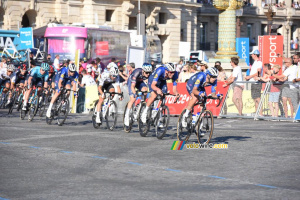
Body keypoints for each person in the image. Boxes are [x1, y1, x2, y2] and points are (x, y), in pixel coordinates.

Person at [245, 49, 263, 116]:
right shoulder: (255, 62)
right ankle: (257, 112)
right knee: (255, 98)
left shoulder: (259, 62)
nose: (251, 55)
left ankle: (260, 113)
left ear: (255, 55)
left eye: (252, 54)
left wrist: (251, 77)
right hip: (253, 82)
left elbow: (258, 71)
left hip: (256, 83)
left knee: (257, 98)